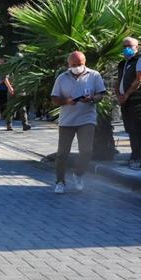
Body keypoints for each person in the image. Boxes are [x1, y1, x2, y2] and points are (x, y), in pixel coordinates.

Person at [51, 51, 106, 194]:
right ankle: (60, 181)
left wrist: (92, 99)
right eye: (73, 65)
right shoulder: (61, 78)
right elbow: (55, 99)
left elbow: (101, 94)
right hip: (67, 120)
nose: (76, 67)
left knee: (86, 151)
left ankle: (79, 173)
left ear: (85, 62)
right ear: (68, 64)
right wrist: (66, 101)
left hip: (87, 118)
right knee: (62, 153)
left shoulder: (94, 75)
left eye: (79, 64)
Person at [116, 37, 141, 167]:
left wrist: (127, 94)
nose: (126, 49)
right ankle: (134, 155)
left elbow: (140, 79)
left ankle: (139, 157)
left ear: (137, 47)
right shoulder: (123, 63)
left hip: (136, 100)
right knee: (129, 128)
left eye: (129, 46)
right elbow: (118, 80)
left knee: (137, 129)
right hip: (125, 100)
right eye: (124, 46)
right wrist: (118, 95)